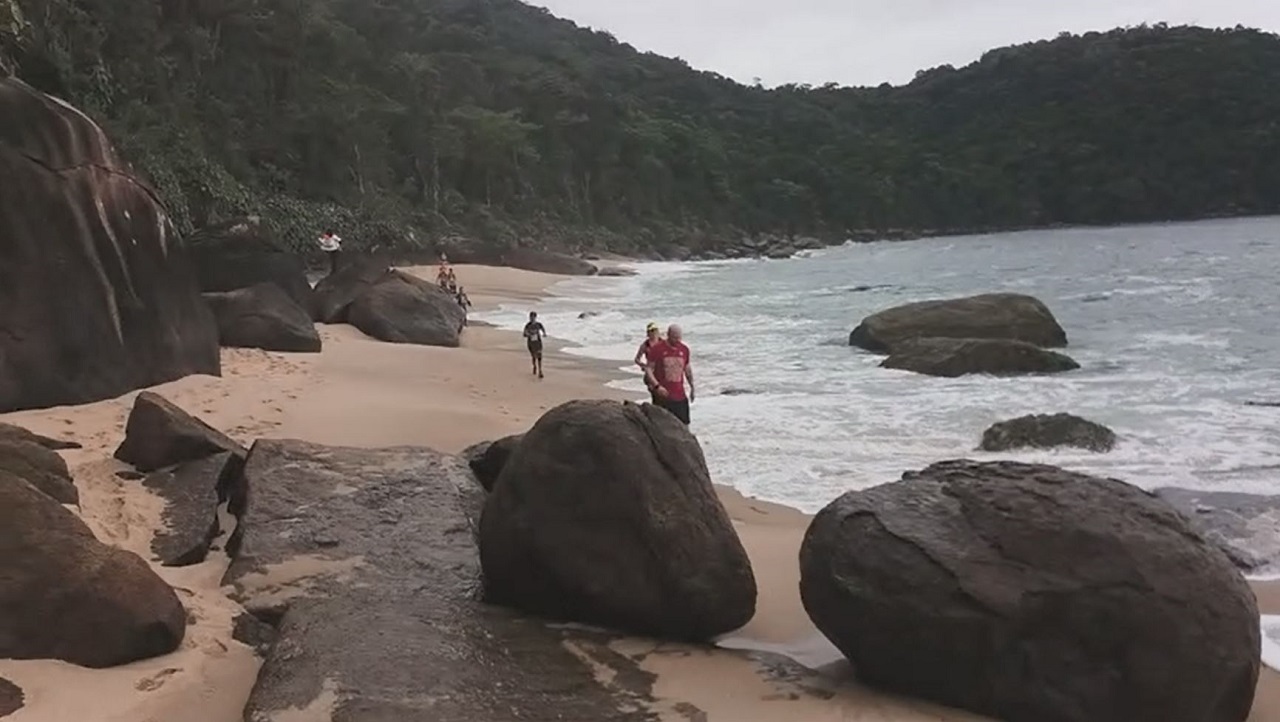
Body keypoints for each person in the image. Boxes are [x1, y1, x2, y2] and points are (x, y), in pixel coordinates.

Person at [648, 324, 695, 425]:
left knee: (684, 425)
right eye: (674, 338)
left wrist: (692, 387)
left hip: (680, 395)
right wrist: (657, 386)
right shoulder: (657, 349)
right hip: (663, 396)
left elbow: (687, 369)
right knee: (662, 426)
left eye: (679, 337)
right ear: (668, 335)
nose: (677, 340)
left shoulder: (684, 349)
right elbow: (648, 370)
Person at [634, 322, 664, 403]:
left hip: (662, 371)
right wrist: (643, 366)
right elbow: (637, 359)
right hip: (651, 371)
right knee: (654, 392)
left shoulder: (663, 343)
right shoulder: (645, 345)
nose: (653, 333)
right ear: (648, 333)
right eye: (651, 331)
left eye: (655, 330)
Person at [522, 311, 547, 378]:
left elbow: (543, 329)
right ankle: (534, 366)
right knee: (533, 357)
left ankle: (540, 371)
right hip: (531, 343)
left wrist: (544, 333)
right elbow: (524, 334)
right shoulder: (528, 325)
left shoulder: (539, 324)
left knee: (539, 356)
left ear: (535, 317)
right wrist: (529, 334)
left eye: (533, 317)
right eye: (531, 317)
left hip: (538, 342)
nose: (532, 318)